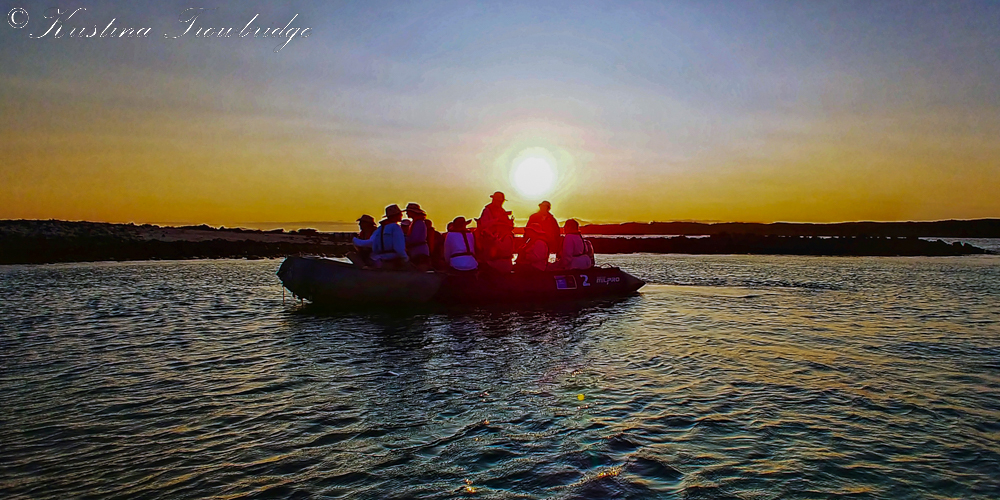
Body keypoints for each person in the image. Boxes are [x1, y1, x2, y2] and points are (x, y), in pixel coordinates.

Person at [352, 204, 408, 269]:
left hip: (376, 258)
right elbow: (399, 249)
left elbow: (370, 242)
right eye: (400, 214)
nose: (401, 215)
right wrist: (406, 259)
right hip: (390, 259)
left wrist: (354, 239)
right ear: (396, 215)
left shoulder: (380, 228)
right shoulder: (396, 228)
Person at [403, 202, 432, 270]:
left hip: (419, 252)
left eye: (408, 211)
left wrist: (402, 238)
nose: (406, 213)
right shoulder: (417, 222)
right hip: (419, 251)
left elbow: (414, 239)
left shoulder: (418, 223)